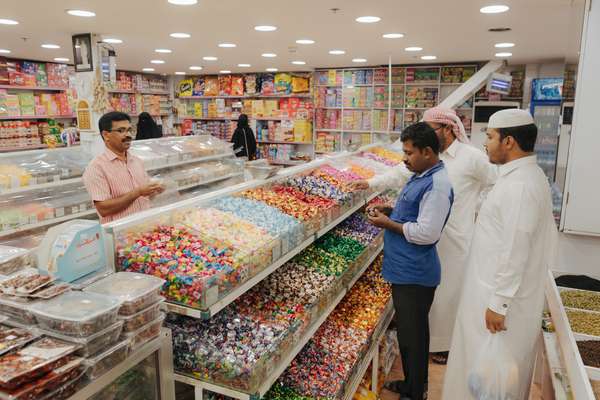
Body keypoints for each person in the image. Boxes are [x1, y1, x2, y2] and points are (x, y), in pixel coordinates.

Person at [442, 109, 558, 400]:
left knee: (489, 382)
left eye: (490, 137)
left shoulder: (520, 185)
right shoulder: (523, 177)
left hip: (497, 305)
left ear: (509, 141)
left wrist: (499, 303)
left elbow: (515, 248)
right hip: (489, 293)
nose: (485, 143)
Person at [367, 122, 454, 400]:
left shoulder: (438, 184)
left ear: (427, 151)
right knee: (408, 333)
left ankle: (417, 392)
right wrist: (391, 209)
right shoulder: (421, 174)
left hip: (415, 273)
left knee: (415, 337)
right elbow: (414, 213)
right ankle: (410, 383)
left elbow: (426, 233)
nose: (404, 159)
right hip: (405, 269)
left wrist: (387, 223)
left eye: (408, 153)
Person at [83, 111, 164, 223]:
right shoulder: (96, 168)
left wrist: (154, 190)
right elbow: (103, 209)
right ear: (106, 135)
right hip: (120, 234)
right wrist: (138, 192)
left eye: (129, 130)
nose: (128, 135)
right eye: (121, 130)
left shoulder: (136, 161)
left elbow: (145, 197)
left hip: (145, 227)